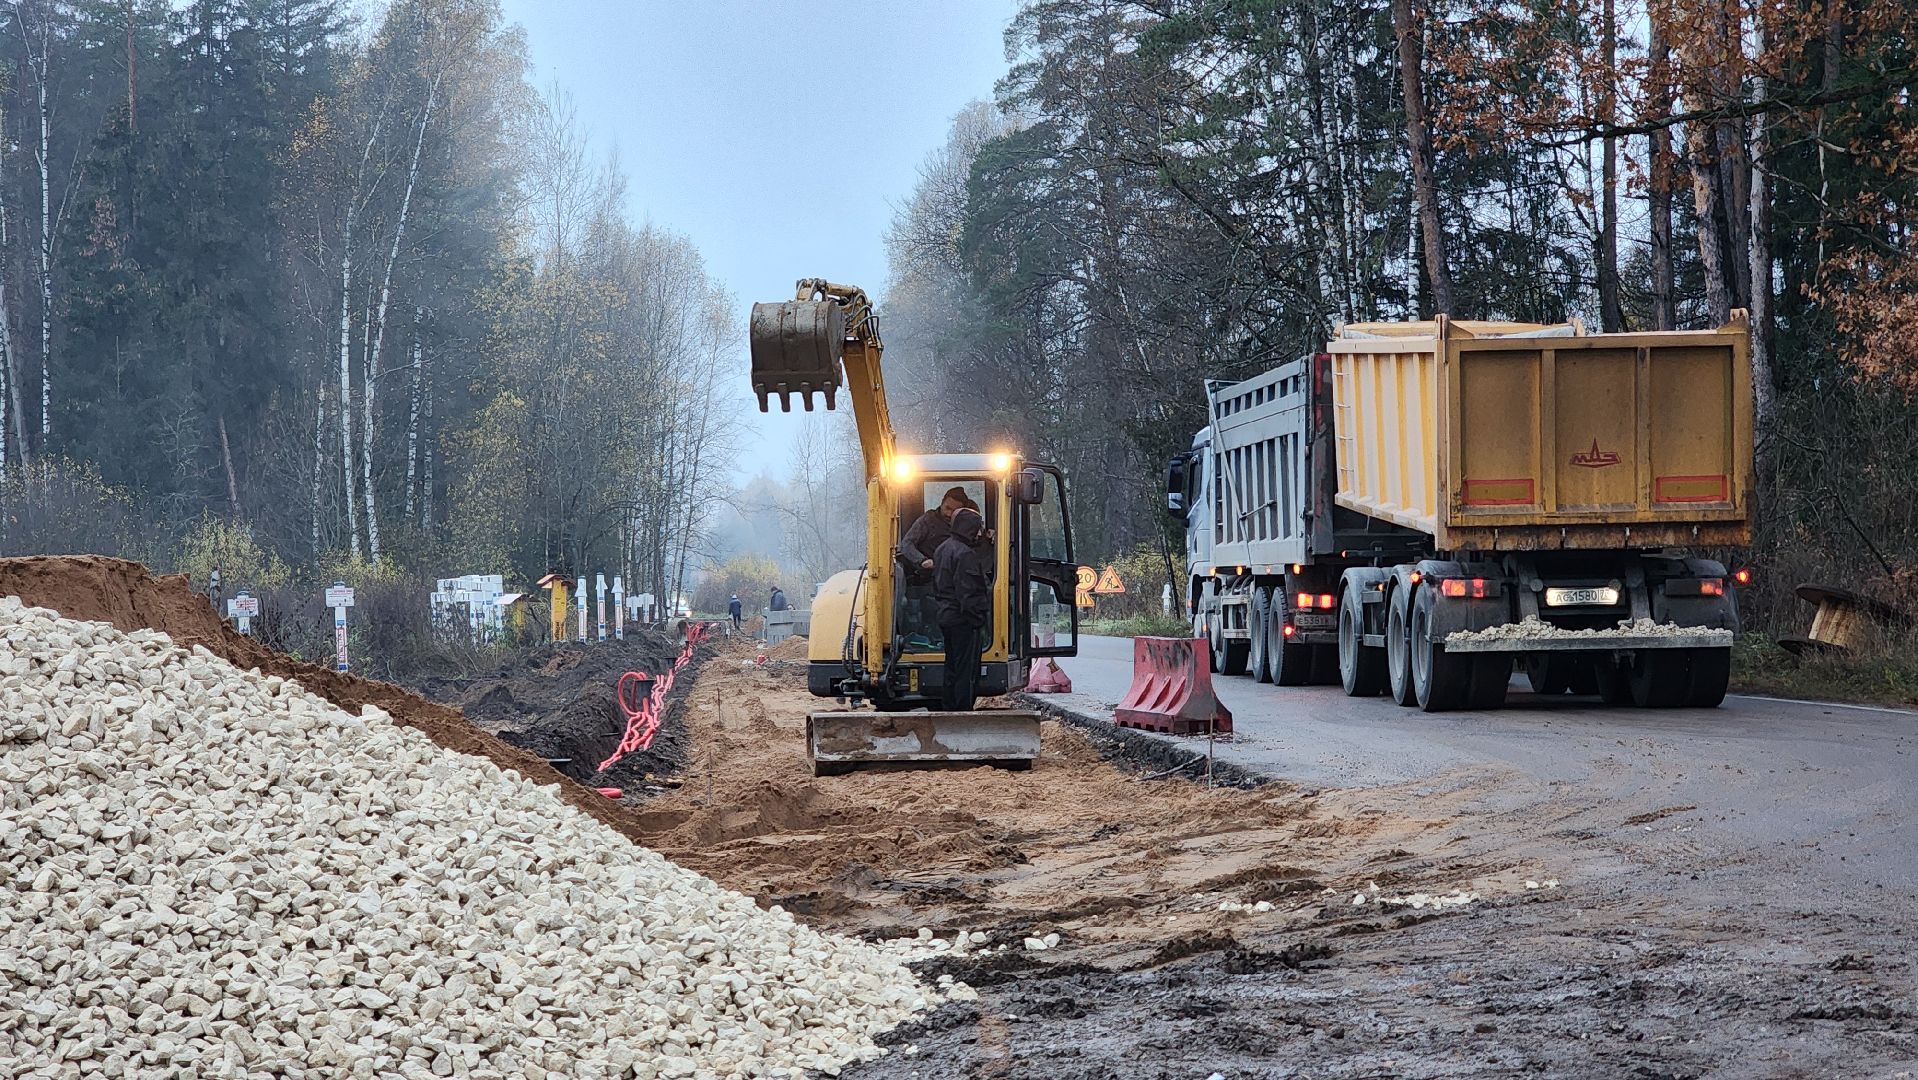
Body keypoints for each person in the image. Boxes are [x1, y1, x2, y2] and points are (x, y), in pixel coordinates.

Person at [933, 507, 990, 711]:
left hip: (945, 616)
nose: (978, 533)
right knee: (966, 670)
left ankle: (949, 709)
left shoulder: (942, 549)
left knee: (952, 666)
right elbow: (968, 592)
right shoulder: (965, 554)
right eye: (976, 528)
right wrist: (978, 619)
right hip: (962, 620)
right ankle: (962, 712)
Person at [900, 486, 972, 575]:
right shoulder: (928, 520)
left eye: (954, 511)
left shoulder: (967, 524)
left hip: (958, 575)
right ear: (942, 502)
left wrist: (990, 536)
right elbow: (906, 544)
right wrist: (922, 560)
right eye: (947, 508)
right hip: (930, 576)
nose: (949, 514)